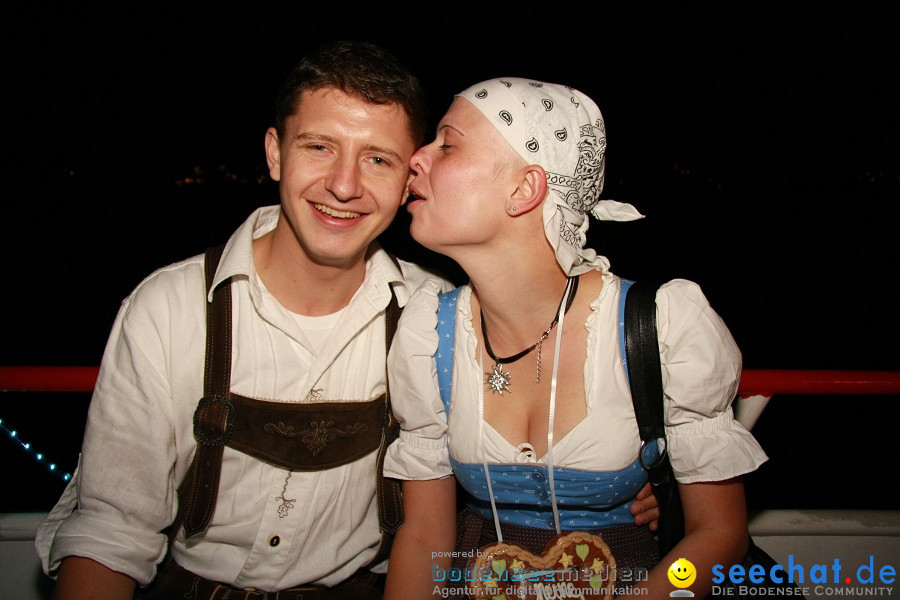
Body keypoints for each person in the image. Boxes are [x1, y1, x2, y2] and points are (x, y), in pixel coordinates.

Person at [34, 39, 449, 599]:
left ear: (408, 179)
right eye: (320, 147)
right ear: (275, 153)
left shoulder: (434, 315)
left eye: (378, 159)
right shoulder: (169, 308)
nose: (344, 185)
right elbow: (111, 533)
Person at [383, 77, 769, 599]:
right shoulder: (429, 333)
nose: (416, 158)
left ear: (525, 189)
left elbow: (719, 537)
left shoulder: (659, 325)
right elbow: (426, 535)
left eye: (447, 143)